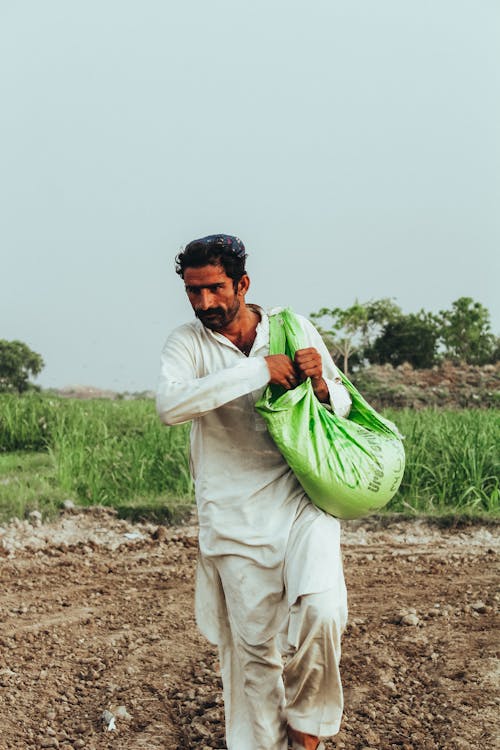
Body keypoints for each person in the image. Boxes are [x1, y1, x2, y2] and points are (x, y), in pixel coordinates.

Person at [156, 234, 351, 750]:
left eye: (215, 289)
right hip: (233, 519)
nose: (204, 304)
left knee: (323, 612)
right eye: (193, 293)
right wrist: (255, 371)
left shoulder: (291, 327)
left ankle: (306, 733)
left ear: (242, 284)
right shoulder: (187, 344)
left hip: (302, 501)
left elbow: (344, 410)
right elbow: (170, 406)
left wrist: (325, 387)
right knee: (255, 658)